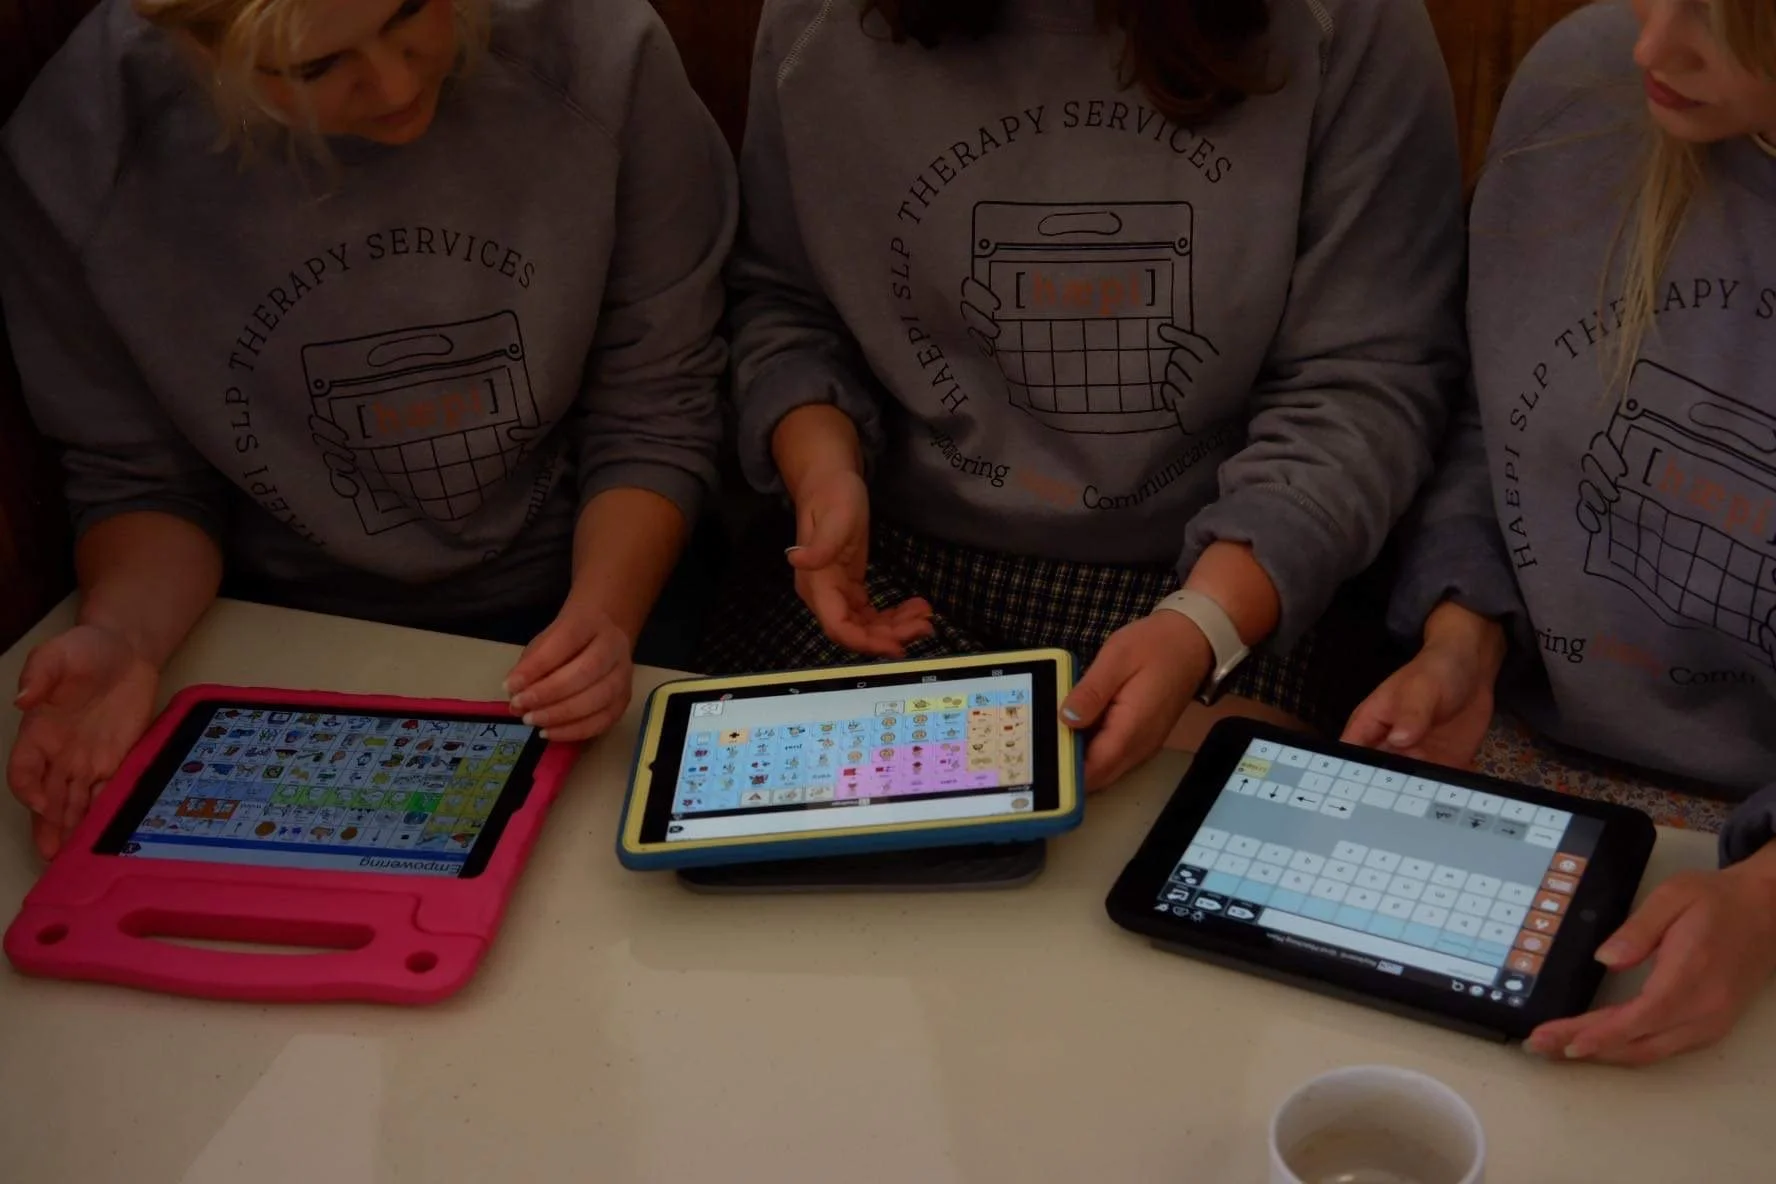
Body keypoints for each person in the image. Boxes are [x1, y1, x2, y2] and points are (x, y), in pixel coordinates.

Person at [0, 0, 736, 858]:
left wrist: (605, 619)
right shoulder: (84, 148)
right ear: (190, 48)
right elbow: (143, 480)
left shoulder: (597, 49)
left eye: (413, 10)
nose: (394, 83)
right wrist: (124, 638)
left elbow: (656, 404)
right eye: (314, 67)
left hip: (600, 582)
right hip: (274, 627)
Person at [707, 0, 1467, 791]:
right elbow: (785, 307)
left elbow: (1366, 382)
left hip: (1221, 570)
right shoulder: (816, 26)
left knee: (1138, 860)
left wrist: (1202, 622)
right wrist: (823, 472)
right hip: (890, 562)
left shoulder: (1347, 24)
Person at [1347, 0, 1776, 1066]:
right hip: (1524, 761)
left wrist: (1766, 897)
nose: (1649, 46)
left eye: (1733, 27)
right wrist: (1462, 635)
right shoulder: (1588, 86)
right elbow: (1494, 415)